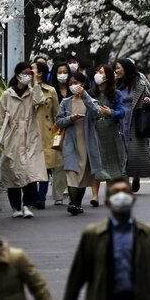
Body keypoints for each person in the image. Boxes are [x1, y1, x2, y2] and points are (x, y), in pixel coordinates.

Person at [0, 61, 48, 218]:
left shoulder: (32, 93)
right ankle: (16, 207)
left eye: (30, 73)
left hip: (30, 137)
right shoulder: (7, 95)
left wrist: (36, 83)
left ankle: (27, 205)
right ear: (17, 75)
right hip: (13, 138)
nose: (28, 76)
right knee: (14, 174)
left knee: (30, 174)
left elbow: (40, 101)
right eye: (25, 73)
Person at [55, 71, 105, 216]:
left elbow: (97, 113)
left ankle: (77, 204)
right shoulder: (65, 102)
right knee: (71, 173)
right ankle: (73, 203)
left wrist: (85, 95)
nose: (73, 86)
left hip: (87, 143)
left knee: (83, 175)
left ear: (83, 84)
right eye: (70, 84)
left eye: (76, 83)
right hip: (70, 143)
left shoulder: (91, 101)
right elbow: (59, 121)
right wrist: (71, 118)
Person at [114, 58, 150, 192]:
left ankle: (136, 176)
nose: (116, 70)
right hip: (120, 120)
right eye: (115, 68)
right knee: (122, 152)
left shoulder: (140, 82)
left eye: (118, 68)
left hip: (136, 120)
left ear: (126, 68)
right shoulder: (115, 83)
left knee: (134, 152)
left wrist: (148, 100)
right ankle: (125, 182)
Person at [89, 63, 126, 207]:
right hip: (95, 131)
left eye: (102, 72)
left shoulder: (116, 94)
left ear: (108, 76)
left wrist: (111, 112)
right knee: (96, 163)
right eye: (98, 71)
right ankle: (94, 196)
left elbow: (122, 112)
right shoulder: (91, 93)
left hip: (111, 132)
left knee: (112, 165)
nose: (99, 74)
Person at [32, 58, 61, 209]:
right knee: (30, 166)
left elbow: (56, 114)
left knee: (45, 166)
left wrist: (58, 134)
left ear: (41, 73)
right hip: (29, 133)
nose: (30, 72)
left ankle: (41, 197)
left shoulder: (51, 91)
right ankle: (31, 196)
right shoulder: (25, 90)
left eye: (34, 69)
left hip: (47, 132)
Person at [48, 59, 73, 206]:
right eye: (60, 72)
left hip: (73, 129)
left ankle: (72, 193)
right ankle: (58, 195)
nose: (63, 75)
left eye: (65, 72)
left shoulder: (73, 88)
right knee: (58, 164)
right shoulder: (52, 90)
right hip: (57, 130)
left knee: (72, 162)